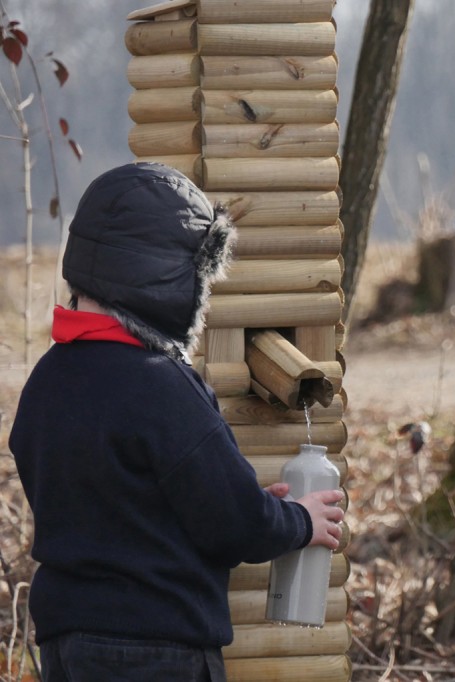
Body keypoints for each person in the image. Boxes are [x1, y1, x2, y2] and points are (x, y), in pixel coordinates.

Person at [10, 163, 346, 682]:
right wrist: (301, 521)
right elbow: (236, 525)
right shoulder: (162, 387)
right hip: (158, 650)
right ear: (171, 276)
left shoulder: (48, 380)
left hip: (66, 646)